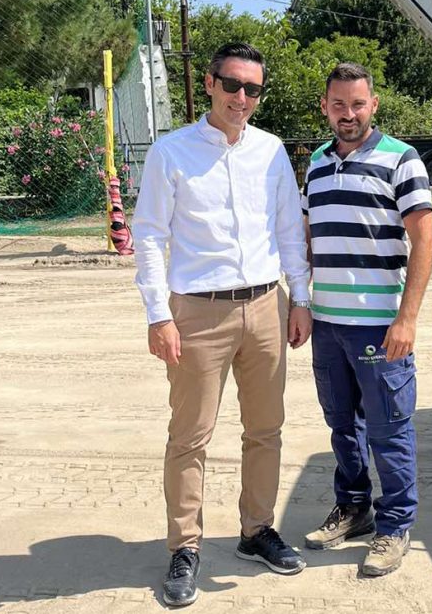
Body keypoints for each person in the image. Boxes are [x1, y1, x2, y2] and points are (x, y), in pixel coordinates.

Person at [132, 42, 313, 607]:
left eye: (252, 89)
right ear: (209, 84)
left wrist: (300, 298)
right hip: (197, 312)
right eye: (232, 84)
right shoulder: (171, 152)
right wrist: (159, 315)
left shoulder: (270, 150)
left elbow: (288, 228)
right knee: (190, 437)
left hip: (265, 305)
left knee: (266, 429)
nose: (241, 97)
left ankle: (256, 530)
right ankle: (184, 547)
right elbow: (149, 236)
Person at [302, 62, 432, 576]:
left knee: (389, 429)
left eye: (358, 104)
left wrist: (407, 319)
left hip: (380, 326)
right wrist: (300, 305)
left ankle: (395, 525)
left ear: (373, 105)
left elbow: (424, 241)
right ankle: (354, 508)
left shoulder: (401, 159)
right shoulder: (315, 164)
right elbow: (308, 242)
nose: (349, 114)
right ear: (324, 106)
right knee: (341, 425)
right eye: (339, 104)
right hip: (327, 325)